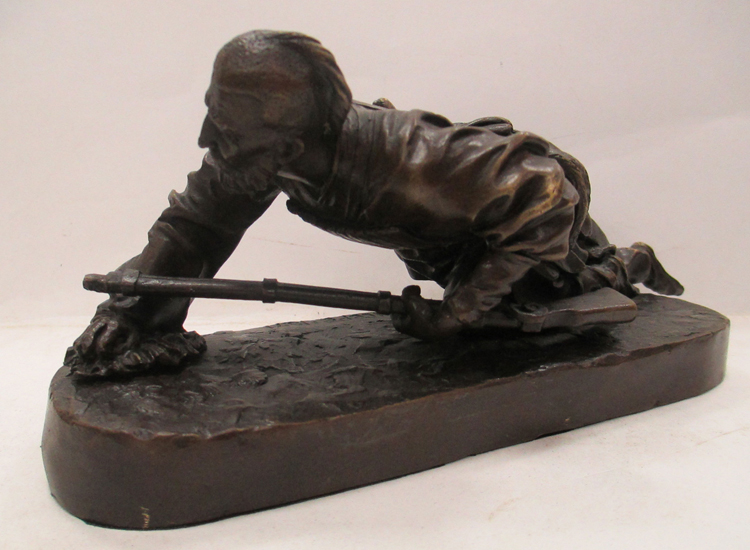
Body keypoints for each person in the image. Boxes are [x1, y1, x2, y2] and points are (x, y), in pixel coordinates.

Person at [69, 30, 683, 374]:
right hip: (447, 243)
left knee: (543, 304)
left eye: (225, 131)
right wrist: (131, 311)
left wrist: (459, 311)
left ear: (294, 144)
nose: (208, 140)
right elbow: (196, 227)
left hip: (531, 233)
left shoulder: (420, 162)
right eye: (212, 116)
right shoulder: (264, 155)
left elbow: (545, 193)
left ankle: (630, 263)